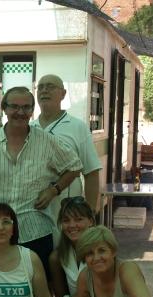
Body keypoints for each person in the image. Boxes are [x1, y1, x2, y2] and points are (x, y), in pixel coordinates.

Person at [0, 86, 82, 277]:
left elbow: (75, 166)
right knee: (3, 286)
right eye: (14, 106)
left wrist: (54, 190)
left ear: (32, 110)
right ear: (4, 108)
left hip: (36, 231)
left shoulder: (46, 141)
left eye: (26, 107)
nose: (20, 112)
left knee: (39, 287)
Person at [32, 74, 102, 214]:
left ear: (63, 94)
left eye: (50, 86)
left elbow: (91, 172)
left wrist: (91, 211)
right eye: (41, 87)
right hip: (35, 210)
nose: (44, 90)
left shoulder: (77, 127)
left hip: (68, 213)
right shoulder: (29, 128)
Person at [48, 196, 95, 297]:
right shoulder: (57, 257)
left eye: (78, 219)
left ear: (91, 221)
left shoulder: (101, 251)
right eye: (66, 220)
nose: (72, 225)